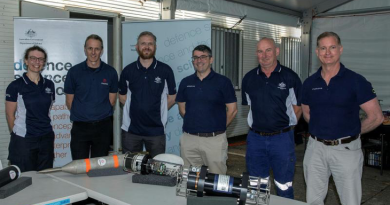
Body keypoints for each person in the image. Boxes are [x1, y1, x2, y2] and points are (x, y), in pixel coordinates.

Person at [301, 32, 384, 205]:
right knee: (313, 200)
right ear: (317, 52)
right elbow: (307, 113)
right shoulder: (309, 83)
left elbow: (376, 117)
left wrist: (351, 132)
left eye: (332, 47)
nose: (327, 52)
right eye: (323, 48)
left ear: (340, 49)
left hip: (346, 150)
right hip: (315, 149)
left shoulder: (356, 81)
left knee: (350, 201)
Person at [241, 37, 302, 199]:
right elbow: (251, 106)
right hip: (256, 139)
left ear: (277, 51)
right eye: (260, 51)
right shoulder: (248, 78)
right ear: (256, 54)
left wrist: (286, 129)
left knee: (284, 185)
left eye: (268, 50)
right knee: (256, 186)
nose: (264, 55)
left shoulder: (290, 77)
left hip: (282, 139)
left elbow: (297, 106)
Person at [176, 45, 237, 175]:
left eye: (203, 57)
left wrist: (217, 127)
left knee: (216, 182)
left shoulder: (223, 82)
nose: (199, 60)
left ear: (211, 59)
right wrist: (196, 123)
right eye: (196, 57)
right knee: (189, 181)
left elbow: (232, 110)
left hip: (214, 141)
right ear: (193, 61)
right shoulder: (185, 82)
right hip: (189, 140)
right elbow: (182, 108)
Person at [119, 31, 176, 158]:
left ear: (155, 47)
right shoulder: (128, 71)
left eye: (150, 44)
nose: (147, 47)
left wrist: (155, 110)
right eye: (143, 43)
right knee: (130, 168)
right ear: (137, 47)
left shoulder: (165, 70)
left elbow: (172, 98)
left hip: (156, 131)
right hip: (131, 131)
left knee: (156, 169)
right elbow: (122, 98)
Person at [64, 34, 118, 160]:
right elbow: (69, 102)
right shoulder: (74, 72)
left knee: (99, 168)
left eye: (97, 49)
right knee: (79, 166)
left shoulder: (110, 72)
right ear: (85, 49)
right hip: (80, 127)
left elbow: (112, 101)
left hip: (103, 127)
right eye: (90, 48)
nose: (93, 52)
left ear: (102, 50)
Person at [5, 45, 55, 172]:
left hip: (46, 138)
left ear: (44, 63)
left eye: (40, 59)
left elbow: (47, 111)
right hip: (24, 140)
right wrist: (17, 135)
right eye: (33, 58)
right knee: (25, 179)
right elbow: (10, 115)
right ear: (26, 61)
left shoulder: (49, 85)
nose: (37, 62)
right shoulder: (15, 86)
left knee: (45, 177)